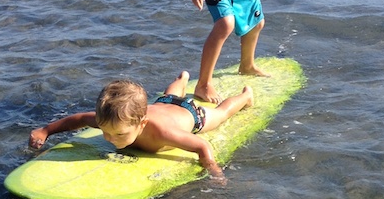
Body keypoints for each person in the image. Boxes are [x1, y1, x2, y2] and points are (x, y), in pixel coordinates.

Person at [29, 70, 253, 179]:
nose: (109, 138)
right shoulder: (113, 120)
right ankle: (183, 79)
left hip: (190, 115)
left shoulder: (163, 133)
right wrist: (46, 131)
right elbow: (77, 120)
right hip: (163, 104)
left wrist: (212, 168)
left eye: (118, 134)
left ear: (141, 124)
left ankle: (245, 97)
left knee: (221, 114)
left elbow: (200, 146)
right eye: (105, 131)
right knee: (170, 94)